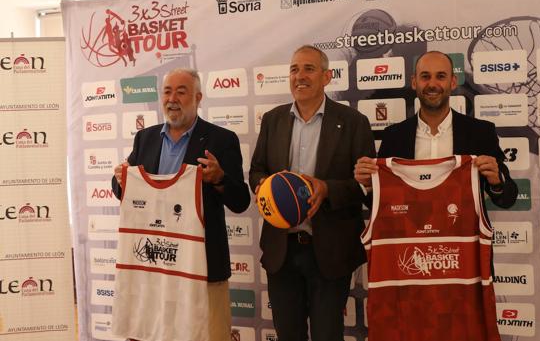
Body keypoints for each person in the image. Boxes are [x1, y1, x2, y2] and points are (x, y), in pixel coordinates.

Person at [111, 67, 250, 341]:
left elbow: (241, 201)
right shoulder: (146, 138)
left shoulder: (222, 140)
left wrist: (220, 178)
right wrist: (120, 180)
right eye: (167, 91)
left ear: (198, 97)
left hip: (203, 268)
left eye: (181, 91)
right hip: (155, 268)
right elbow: (123, 190)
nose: (172, 98)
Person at [249, 45, 375, 341]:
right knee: (288, 334)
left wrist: (327, 188)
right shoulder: (273, 119)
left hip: (330, 252)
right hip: (282, 250)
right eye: (294, 69)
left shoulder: (354, 122)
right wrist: (264, 186)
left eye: (308, 69)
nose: (299, 76)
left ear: (327, 77)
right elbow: (256, 170)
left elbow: (366, 186)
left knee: (326, 335)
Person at [355, 50, 517, 207]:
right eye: (425, 76)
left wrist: (496, 182)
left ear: (453, 82)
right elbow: (381, 204)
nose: (432, 84)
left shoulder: (481, 132)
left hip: (464, 233)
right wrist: (369, 185)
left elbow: (507, 199)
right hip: (410, 233)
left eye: (441, 76)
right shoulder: (394, 136)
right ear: (414, 82)